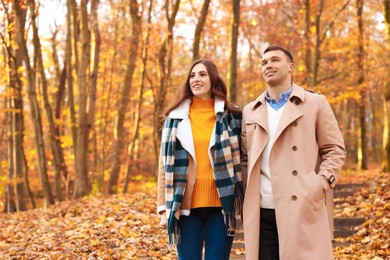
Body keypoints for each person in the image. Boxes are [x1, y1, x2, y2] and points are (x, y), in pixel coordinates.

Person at [241, 45, 346, 260]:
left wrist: (321, 183)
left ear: (290, 67)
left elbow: (334, 149)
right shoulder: (250, 110)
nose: (268, 65)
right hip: (261, 209)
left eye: (275, 60)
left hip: (302, 204)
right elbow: (245, 157)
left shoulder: (315, 102)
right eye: (264, 62)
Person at [157, 59, 244, 260]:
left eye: (202, 74)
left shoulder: (232, 115)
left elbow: (243, 157)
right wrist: (164, 208)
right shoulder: (174, 118)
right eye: (192, 75)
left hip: (222, 207)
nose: (196, 79)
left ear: (213, 80)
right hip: (185, 207)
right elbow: (164, 165)